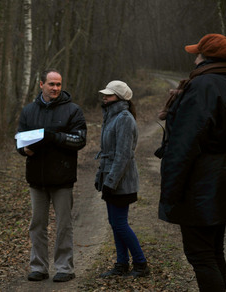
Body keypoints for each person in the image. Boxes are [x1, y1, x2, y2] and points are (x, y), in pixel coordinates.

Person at [158, 33, 226, 292]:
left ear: (206, 57)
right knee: (213, 252)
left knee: (201, 255)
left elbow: (184, 144)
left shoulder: (203, 86)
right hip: (222, 179)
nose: (194, 58)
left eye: (197, 54)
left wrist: (170, 191)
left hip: (200, 183)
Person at [16, 69, 87, 282]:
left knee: (64, 225)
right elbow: (19, 140)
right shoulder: (28, 111)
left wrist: (53, 137)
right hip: (36, 178)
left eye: (58, 84)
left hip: (62, 178)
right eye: (51, 84)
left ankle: (65, 267)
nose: (55, 88)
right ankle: (38, 267)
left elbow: (80, 140)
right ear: (41, 85)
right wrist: (23, 150)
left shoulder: (73, 111)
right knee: (37, 224)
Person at [95, 80, 150, 278]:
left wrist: (110, 182)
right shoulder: (111, 117)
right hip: (111, 178)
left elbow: (123, 155)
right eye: (105, 94)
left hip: (122, 181)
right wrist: (100, 177)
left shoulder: (124, 118)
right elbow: (106, 152)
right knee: (114, 222)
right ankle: (121, 264)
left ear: (119, 97)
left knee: (119, 223)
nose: (104, 97)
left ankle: (141, 263)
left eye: (109, 95)